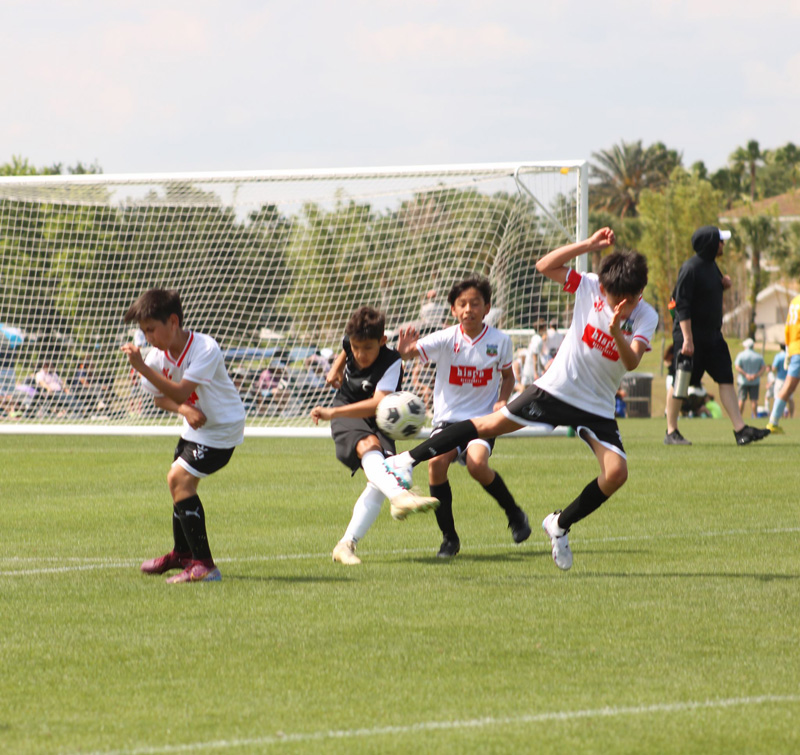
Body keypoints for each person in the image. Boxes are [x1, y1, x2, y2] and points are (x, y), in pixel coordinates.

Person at [385, 227, 657, 571]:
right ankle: (406, 461)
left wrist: (617, 331)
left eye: (627, 301)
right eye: (613, 296)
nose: (619, 305)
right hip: (556, 389)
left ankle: (559, 524)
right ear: (602, 287)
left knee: (616, 473)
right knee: (486, 426)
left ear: (639, 294)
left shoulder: (646, 316)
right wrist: (588, 245)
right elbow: (545, 265)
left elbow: (631, 362)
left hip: (597, 405)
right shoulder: (589, 286)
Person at [396, 276, 532, 558]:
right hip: (448, 421)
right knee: (436, 465)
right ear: (453, 310)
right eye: (462, 304)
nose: (468, 309)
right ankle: (449, 539)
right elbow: (410, 354)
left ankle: (514, 514)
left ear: (487, 308)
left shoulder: (500, 341)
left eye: (475, 303)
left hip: (482, 421)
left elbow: (508, 376)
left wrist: (502, 400)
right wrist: (405, 351)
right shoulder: (446, 338)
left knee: (477, 465)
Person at [121, 288, 246, 584]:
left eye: (152, 329)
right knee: (180, 486)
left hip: (223, 427)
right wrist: (183, 409)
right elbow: (160, 399)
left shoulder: (204, 348)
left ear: (174, 322)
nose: (147, 337)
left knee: (178, 479)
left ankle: (205, 566)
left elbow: (179, 391)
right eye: (143, 331)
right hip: (195, 428)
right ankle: (182, 554)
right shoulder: (156, 358)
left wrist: (142, 368)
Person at [310, 306, 439, 566]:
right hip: (348, 413)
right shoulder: (352, 342)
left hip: (379, 418)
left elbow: (377, 403)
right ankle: (400, 496)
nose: (360, 354)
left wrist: (331, 412)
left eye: (367, 348)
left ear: (382, 341)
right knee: (369, 447)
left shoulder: (392, 362)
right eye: (356, 347)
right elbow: (346, 346)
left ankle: (345, 544)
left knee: (379, 481)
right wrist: (336, 369)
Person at [664, 225, 770, 446]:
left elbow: (706, 294)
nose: (723, 245)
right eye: (720, 241)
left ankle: (741, 430)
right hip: (690, 337)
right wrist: (687, 339)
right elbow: (681, 305)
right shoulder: (690, 268)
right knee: (680, 381)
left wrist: (724, 286)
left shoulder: (712, 267)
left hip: (713, 336)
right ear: (711, 244)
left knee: (725, 379)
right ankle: (671, 431)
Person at [767, 295, 800, 434]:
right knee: (788, 386)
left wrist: (787, 349)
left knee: (788, 386)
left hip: (794, 347)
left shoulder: (794, 301)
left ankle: (773, 422)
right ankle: (773, 422)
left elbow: (788, 328)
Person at [734, 338, 767, 418]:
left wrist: (746, 375)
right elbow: (763, 368)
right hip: (755, 381)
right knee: (754, 400)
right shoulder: (758, 356)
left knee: (741, 400)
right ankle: (755, 416)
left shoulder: (741, 355)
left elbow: (737, 367)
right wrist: (755, 375)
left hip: (743, 381)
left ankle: (739, 417)